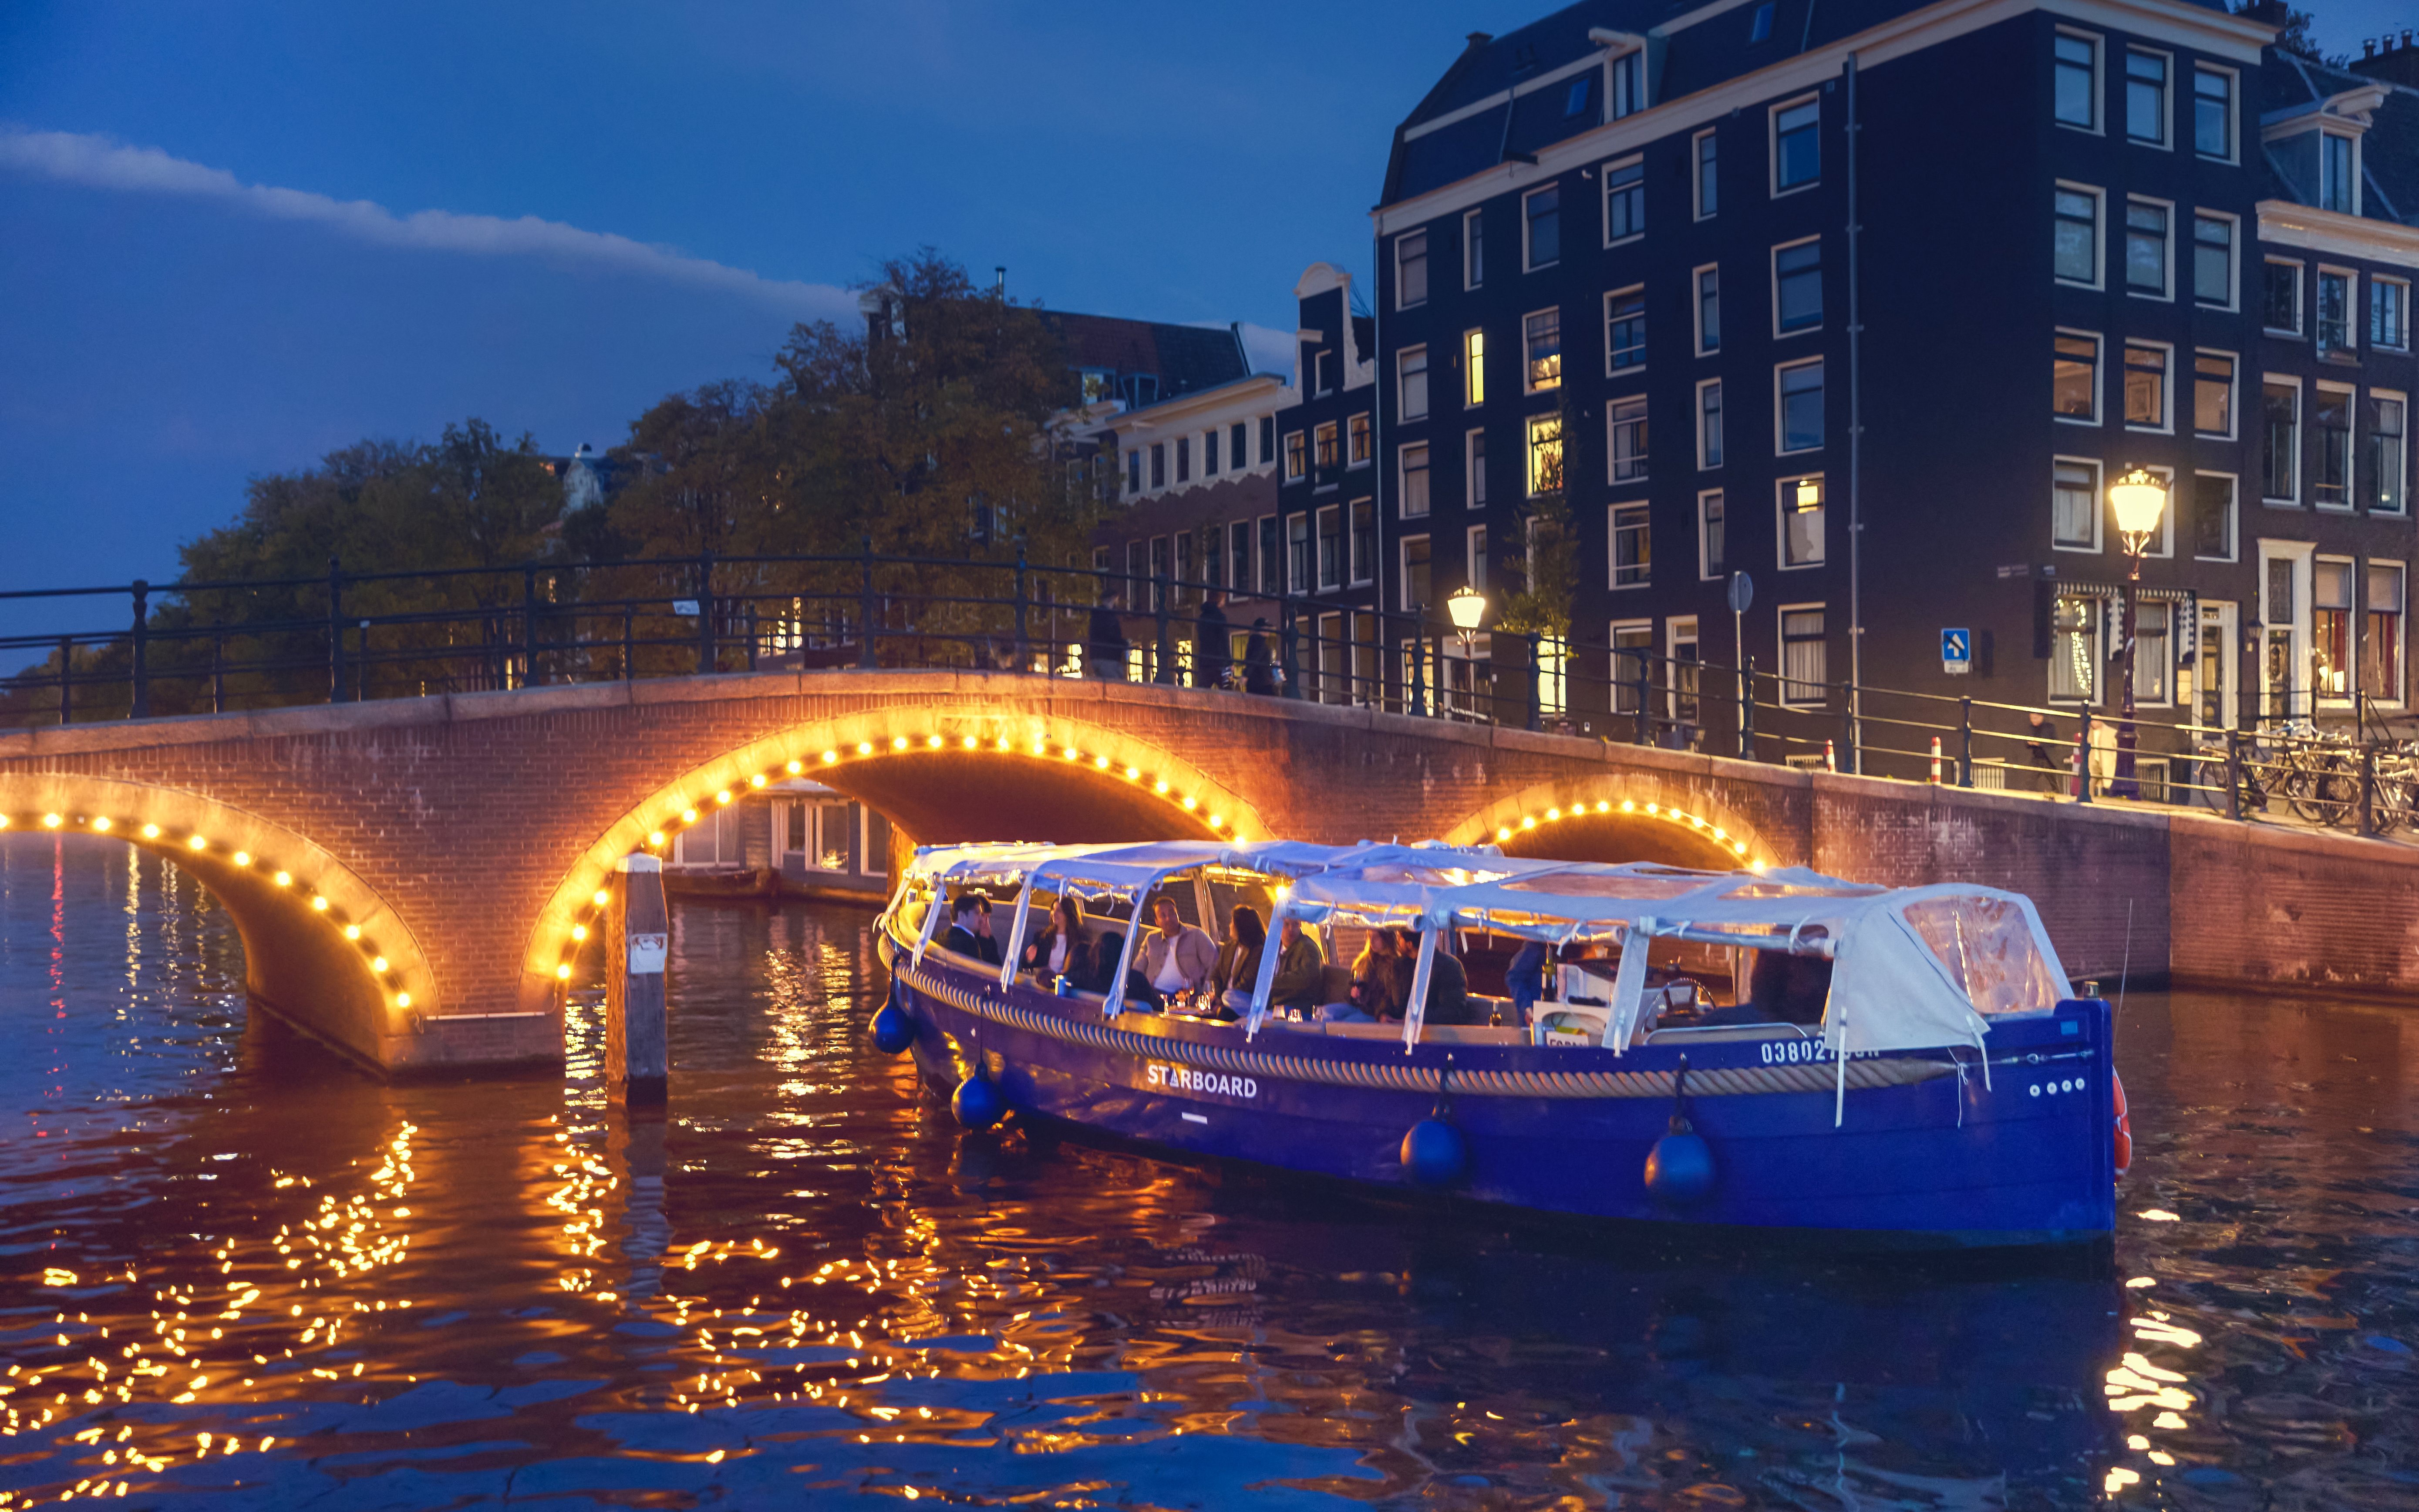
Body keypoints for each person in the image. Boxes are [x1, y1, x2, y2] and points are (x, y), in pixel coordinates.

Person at [1138, 896, 1218, 1002]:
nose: (1168, 918)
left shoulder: (1196, 936)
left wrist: (1203, 992)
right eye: (1163, 915)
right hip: (1153, 993)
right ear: (1157, 922)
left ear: (1177, 914)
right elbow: (1138, 968)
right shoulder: (1151, 939)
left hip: (1185, 996)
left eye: (1172, 913)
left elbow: (1214, 964)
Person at [1267, 916, 1325, 1014]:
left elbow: (1305, 979)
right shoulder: (1274, 948)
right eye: (1287, 924)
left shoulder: (1308, 948)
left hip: (1298, 1007)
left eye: (1295, 924)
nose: (1291, 929)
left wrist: (1272, 983)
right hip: (1276, 1004)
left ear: (1300, 925)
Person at [1024, 896, 1089, 980]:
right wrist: (1029, 959)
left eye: (1059, 911)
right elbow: (1026, 966)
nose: (1054, 913)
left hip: (1065, 985)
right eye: (1053, 909)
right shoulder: (1043, 936)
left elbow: (1084, 970)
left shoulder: (1080, 940)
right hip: (1043, 982)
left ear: (1068, 914)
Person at [1213, 906, 1267, 1005]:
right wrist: (1218, 996)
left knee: (1225, 1007)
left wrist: (1223, 1001)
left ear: (1242, 927)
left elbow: (1246, 984)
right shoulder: (1228, 947)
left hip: (1243, 1002)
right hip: (1224, 999)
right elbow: (1216, 975)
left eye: (1233, 922)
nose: (1230, 925)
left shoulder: (1257, 951)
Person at [1348, 929, 1404, 1019]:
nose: (1372, 940)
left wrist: (1380, 1013)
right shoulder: (1364, 962)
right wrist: (1353, 993)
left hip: (1374, 1012)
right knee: (1328, 1014)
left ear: (1386, 938)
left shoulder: (1393, 964)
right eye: (1370, 936)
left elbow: (1390, 998)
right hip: (1357, 1006)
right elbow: (1352, 983)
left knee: (1344, 1024)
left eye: (1376, 937)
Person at [940, 891, 1001, 965]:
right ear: (962, 916)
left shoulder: (942, 936)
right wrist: (985, 941)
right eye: (978, 914)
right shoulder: (969, 943)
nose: (983, 920)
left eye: (987, 918)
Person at [1087, 591, 1129, 680]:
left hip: (1095, 657)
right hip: (1108, 658)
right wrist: (1125, 643)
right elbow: (1111, 635)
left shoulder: (1096, 616)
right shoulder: (1109, 616)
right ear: (1114, 599)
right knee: (1116, 685)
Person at [1196, 589, 1233, 690]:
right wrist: (1230, 663)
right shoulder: (1221, 618)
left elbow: (1201, 638)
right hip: (1219, 662)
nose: (1224, 602)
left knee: (1202, 693)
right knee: (1229, 693)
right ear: (1219, 601)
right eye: (1224, 599)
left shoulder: (1202, 617)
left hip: (1205, 661)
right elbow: (1225, 641)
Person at [2025, 710, 2063, 794]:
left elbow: (2054, 741)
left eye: (2035, 718)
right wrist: (2030, 743)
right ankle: (2028, 793)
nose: (2033, 720)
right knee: (2030, 780)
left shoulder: (2049, 727)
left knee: (2052, 780)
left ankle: (2056, 793)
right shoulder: (2031, 728)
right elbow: (2026, 742)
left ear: (2041, 717)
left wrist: (2039, 743)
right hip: (2037, 758)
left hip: (2047, 758)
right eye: (2031, 718)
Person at [1243, 618, 1278, 696]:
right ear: (1262, 629)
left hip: (1256, 682)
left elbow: (1252, 660)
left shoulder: (1253, 641)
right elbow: (1255, 659)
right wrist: (1246, 675)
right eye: (1267, 628)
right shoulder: (1260, 643)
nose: (1269, 630)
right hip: (1262, 683)